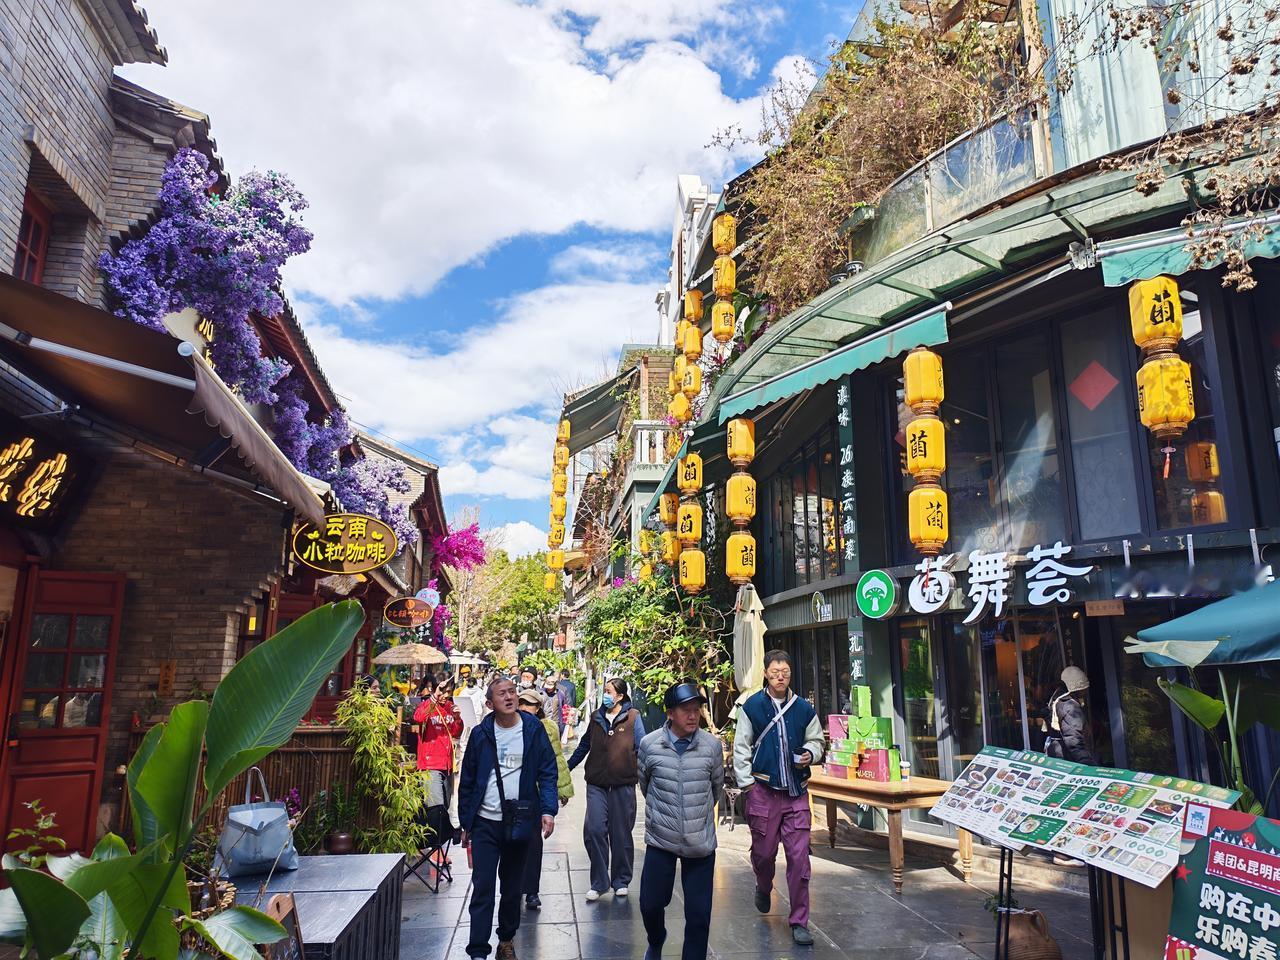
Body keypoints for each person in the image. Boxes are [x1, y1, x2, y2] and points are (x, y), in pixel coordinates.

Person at [458, 676, 559, 960]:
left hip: (520, 821)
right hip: (485, 823)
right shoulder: (481, 734)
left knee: (513, 888)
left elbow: (548, 771)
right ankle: (478, 950)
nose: (509, 697)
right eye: (501, 694)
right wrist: (466, 822)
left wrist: (548, 810)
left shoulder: (533, 729)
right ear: (490, 704)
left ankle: (506, 940)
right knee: (483, 887)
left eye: (512, 692)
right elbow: (467, 780)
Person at [733, 649, 825, 946]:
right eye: (775, 672)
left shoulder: (803, 708)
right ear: (765, 674)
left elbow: (817, 740)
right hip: (763, 792)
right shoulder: (752, 707)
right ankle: (763, 884)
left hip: (796, 793)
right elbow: (741, 747)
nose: (780, 677)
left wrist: (811, 753)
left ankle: (799, 921)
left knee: (799, 859)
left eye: (785, 672)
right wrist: (748, 786)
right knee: (763, 853)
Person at [637, 682, 723, 960]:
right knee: (650, 904)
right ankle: (656, 939)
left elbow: (716, 788)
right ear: (670, 713)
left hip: (699, 840)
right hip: (661, 838)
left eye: (696, 710)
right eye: (686, 710)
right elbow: (645, 785)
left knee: (699, 915)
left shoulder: (711, 746)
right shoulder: (650, 745)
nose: (693, 716)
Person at [567, 677, 645, 901]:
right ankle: (599, 882)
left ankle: (621, 880)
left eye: (609, 692)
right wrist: (566, 767)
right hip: (596, 783)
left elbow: (642, 747)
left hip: (623, 783)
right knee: (594, 830)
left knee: (621, 834)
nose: (606, 695)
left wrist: (645, 775)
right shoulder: (596, 717)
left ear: (620, 696)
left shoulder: (633, 717)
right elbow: (585, 744)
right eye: (605, 691)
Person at [516, 688, 574, 910]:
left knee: (533, 843)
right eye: (522, 703)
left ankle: (531, 890)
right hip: (515, 793)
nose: (524, 708)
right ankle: (514, 886)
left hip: (537, 793)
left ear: (538, 707)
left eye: (529, 704)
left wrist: (562, 790)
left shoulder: (548, 727)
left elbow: (556, 760)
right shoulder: (511, 725)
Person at [414, 674, 463, 836]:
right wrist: (435, 697)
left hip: (447, 765)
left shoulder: (449, 706)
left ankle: (438, 844)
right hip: (430, 766)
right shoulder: (427, 705)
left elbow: (456, 732)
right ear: (434, 690)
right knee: (435, 808)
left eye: (449, 691)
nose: (445, 695)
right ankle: (434, 846)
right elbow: (418, 717)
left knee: (445, 807)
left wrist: (457, 718)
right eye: (442, 691)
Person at [1045, 666, 1097, 764]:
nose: (1085, 691)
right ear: (1078, 689)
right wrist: (1087, 764)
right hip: (1068, 759)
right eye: (1083, 688)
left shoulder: (1057, 700)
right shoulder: (1069, 706)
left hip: (1059, 755)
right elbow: (1074, 740)